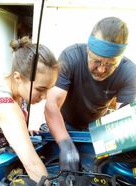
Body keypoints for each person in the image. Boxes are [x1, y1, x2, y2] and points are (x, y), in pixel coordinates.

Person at [44, 16, 136, 172]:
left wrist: (112, 148)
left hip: (96, 130)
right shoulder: (70, 57)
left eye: (110, 64)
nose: (101, 69)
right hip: (63, 124)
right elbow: (52, 104)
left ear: (120, 60)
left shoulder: (129, 72)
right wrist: (65, 145)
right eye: (97, 61)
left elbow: (125, 119)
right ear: (88, 49)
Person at [0, 36, 59, 183]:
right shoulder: (5, 107)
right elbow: (32, 164)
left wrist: (22, 131)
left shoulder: (8, 81)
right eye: (40, 89)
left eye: (49, 89)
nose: (45, 96)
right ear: (18, 77)